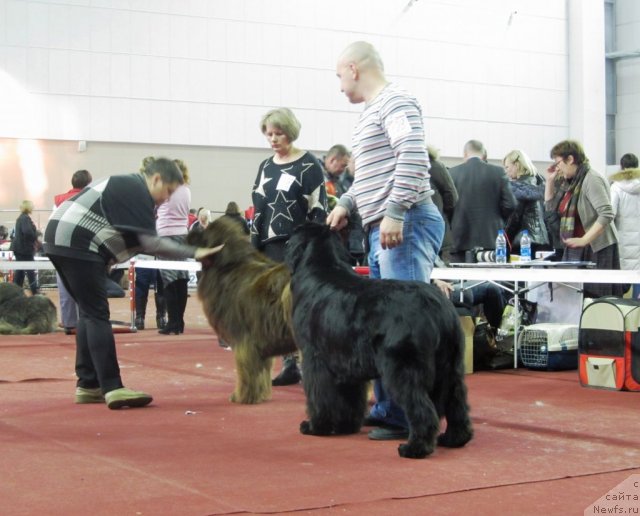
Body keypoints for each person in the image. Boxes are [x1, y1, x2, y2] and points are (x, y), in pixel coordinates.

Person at [328, 41, 445, 441]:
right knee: (385, 327)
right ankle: (388, 408)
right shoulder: (369, 115)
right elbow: (368, 177)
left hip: (404, 223)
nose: (339, 85)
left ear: (354, 69)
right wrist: (346, 202)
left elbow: (413, 154)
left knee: (404, 329)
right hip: (385, 225)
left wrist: (395, 210)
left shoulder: (395, 101)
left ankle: (408, 417)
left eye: (338, 75)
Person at [43, 157, 222, 410]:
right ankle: (113, 388)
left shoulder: (126, 185)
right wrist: (197, 252)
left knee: (88, 312)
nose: (166, 199)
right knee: (96, 314)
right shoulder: (136, 189)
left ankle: (89, 385)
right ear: (157, 179)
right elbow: (151, 243)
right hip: (76, 242)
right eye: (168, 192)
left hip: (61, 238)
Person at [251, 107, 328, 386]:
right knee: (276, 308)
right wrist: (253, 245)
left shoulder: (308, 165)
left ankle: (312, 363)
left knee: (302, 306)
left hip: (299, 246)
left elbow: (319, 208)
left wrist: (314, 246)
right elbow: (258, 209)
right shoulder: (266, 166)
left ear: (290, 133)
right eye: (269, 134)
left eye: (278, 133)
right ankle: (289, 364)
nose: (273, 139)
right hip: (269, 246)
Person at [544, 139, 625, 298]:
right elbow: (550, 209)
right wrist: (549, 181)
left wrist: (585, 240)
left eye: (558, 162)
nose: (556, 167)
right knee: (574, 299)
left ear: (570, 159)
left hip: (596, 247)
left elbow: (607, 213)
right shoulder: (569, 183)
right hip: (576, 246)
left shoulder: (591, 179)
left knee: (596, 300)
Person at [448, 140, 517, 263]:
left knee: (460, 280)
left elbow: (447, 207)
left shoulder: (451, 173)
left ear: (465, 154)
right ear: (484, 154)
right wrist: (497, 218)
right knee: (488, 280)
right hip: (491, 238)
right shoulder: (498, 172)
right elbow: (511, 205)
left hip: (459, 238)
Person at [155, 158, 192, 335]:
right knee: (181, 278)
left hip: (166, 235)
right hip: (182, 235)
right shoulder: (186, 190)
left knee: (169, 280)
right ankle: (179, 322)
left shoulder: (166, 189)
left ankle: (172, 322)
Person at [53, 169, 93, 334]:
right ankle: (87, 320)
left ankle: (69, 322)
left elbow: (53, 221)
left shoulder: (58, 200)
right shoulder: (90, 198)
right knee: (85, 283)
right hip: (82, 245)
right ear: (89, 184)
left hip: (60, 245)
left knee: (64, 284)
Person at [502, 150, 550, 256]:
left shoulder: (518, 188)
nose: (506, 171)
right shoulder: (540, 183)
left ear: (517, 165)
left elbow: (513, 219)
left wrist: (503, 238)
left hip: (524, 242)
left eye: (507, 167)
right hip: (543, 240)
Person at [610, 152, 640, 298]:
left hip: (624, 239)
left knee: (625, 275)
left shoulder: (616, 187)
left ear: (621, 167)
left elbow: (610, 214)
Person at [427, 146, 458, 264]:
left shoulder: (403, 165)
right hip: (438, 228)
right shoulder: (436, 165)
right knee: (442, 275)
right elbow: (452, 196)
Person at [12, 200, 39, 295]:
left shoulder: (22, 218)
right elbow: (27, 232)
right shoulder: (25, 218)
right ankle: (35, 292)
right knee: (30, 271)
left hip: (20, 249)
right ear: (28, 207)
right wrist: (36, 236)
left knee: (20, 272)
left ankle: (15, 292)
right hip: (24, 250)